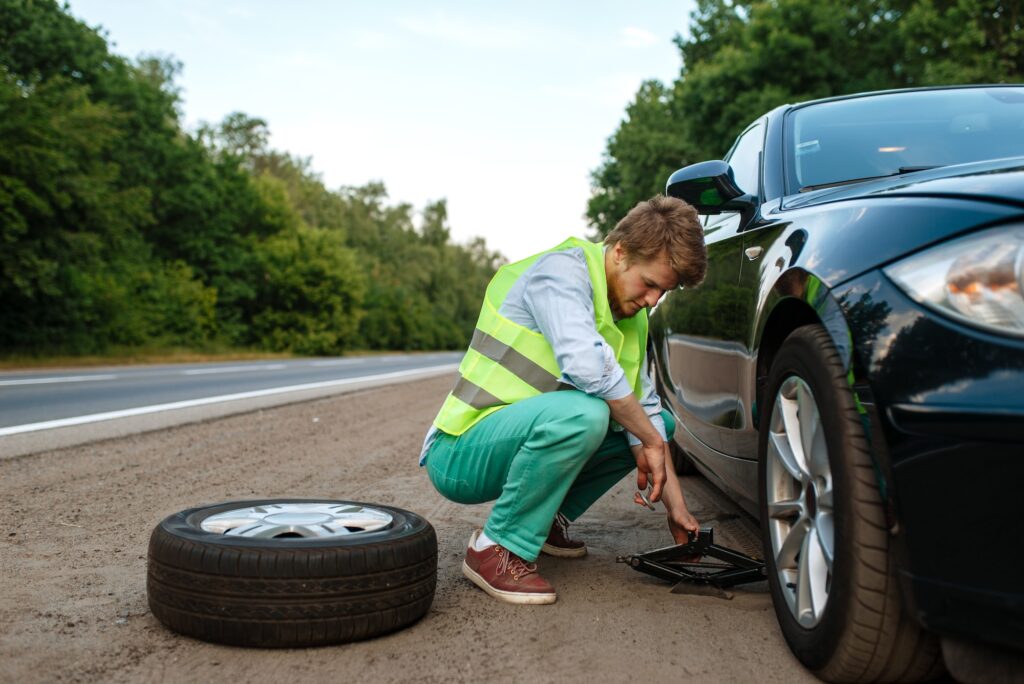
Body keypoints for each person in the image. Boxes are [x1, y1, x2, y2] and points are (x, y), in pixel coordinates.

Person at [419, 195, 708, 605]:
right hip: (460, 450)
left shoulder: (631, 318)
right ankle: (494, 549)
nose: (653, 301)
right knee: (591, 414)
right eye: (650, 284)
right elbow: (589, 368)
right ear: (621, 252)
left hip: (516, 440)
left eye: (664, 291)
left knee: (657, 422)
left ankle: (542, 518)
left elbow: (645, 413)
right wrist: (651, 441)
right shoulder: (560, 273)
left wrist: (676, 509)